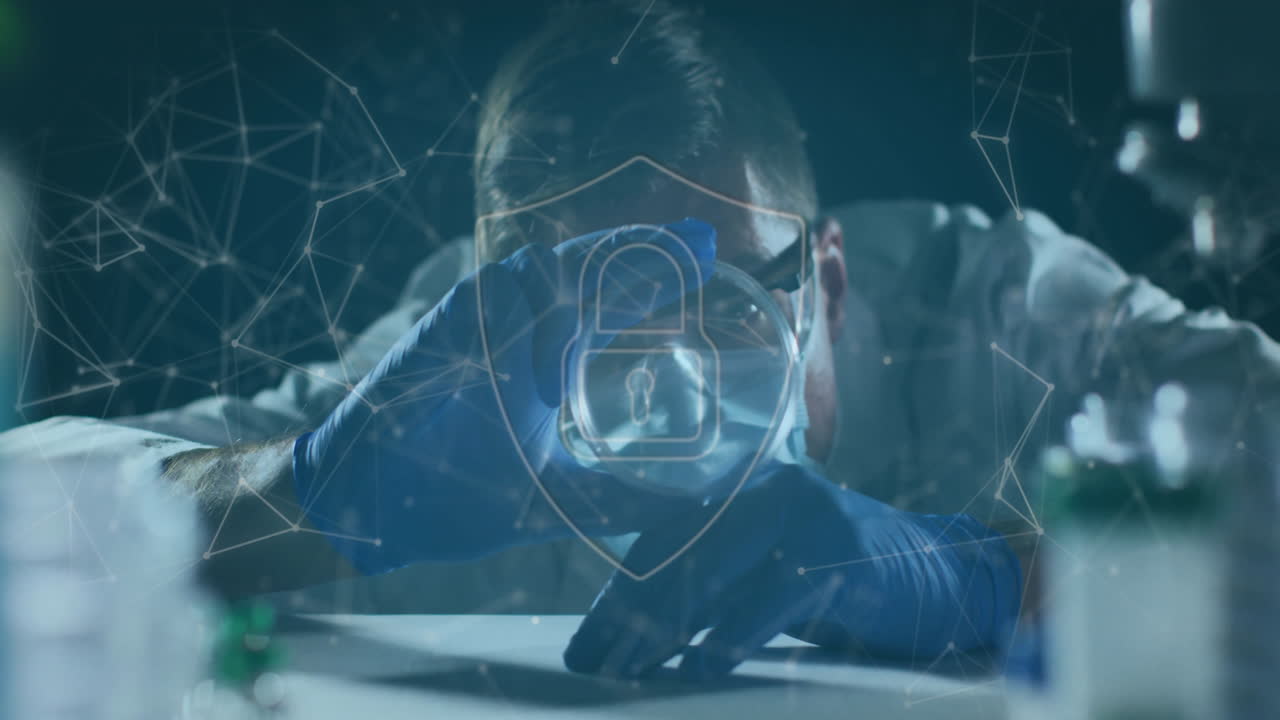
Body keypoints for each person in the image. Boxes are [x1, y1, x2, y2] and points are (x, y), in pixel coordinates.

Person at [4, 0, 1278, 680]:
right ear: (498, 310)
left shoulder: (994, 309)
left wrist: (995, 577)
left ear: (827, 282)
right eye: (597, 317)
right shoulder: (454, 399)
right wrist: (301, 494)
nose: (669, 386)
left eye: (726, 304)